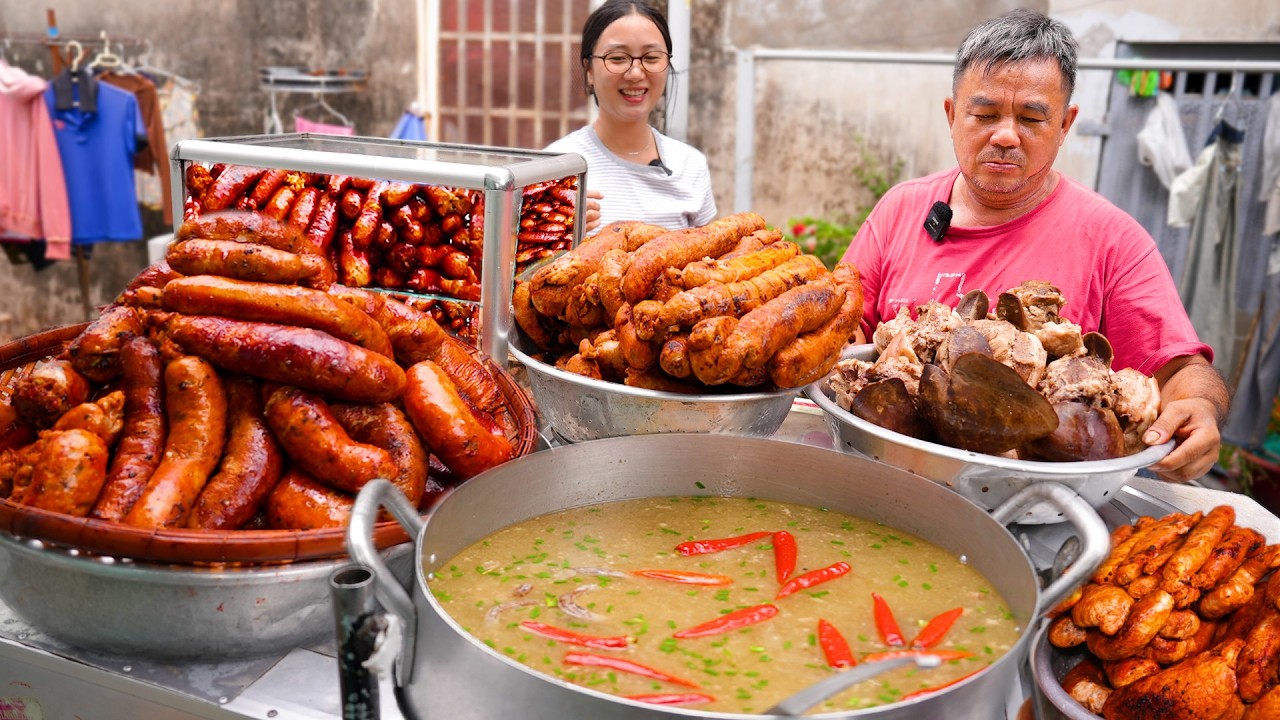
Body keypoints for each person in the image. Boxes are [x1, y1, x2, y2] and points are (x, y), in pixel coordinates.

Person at [840, 9, 1229, 484]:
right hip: (882, 475)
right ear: (951, 115)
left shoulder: (1112, 238)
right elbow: (845, 332)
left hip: (1035, 499)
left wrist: (1198, 407)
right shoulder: (900, 209)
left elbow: (1180, 371)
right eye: (984, 114)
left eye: (1031, 118)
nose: (1005, 135)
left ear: (1065, 125)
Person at [545, 0, 716, 235]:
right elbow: (524, 267)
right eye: (617, 58)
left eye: (651, 57)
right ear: (589, 70)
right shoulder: (555, 167)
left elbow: (707, 261)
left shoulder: (690, 165)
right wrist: (555, 232)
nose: (636, 73)